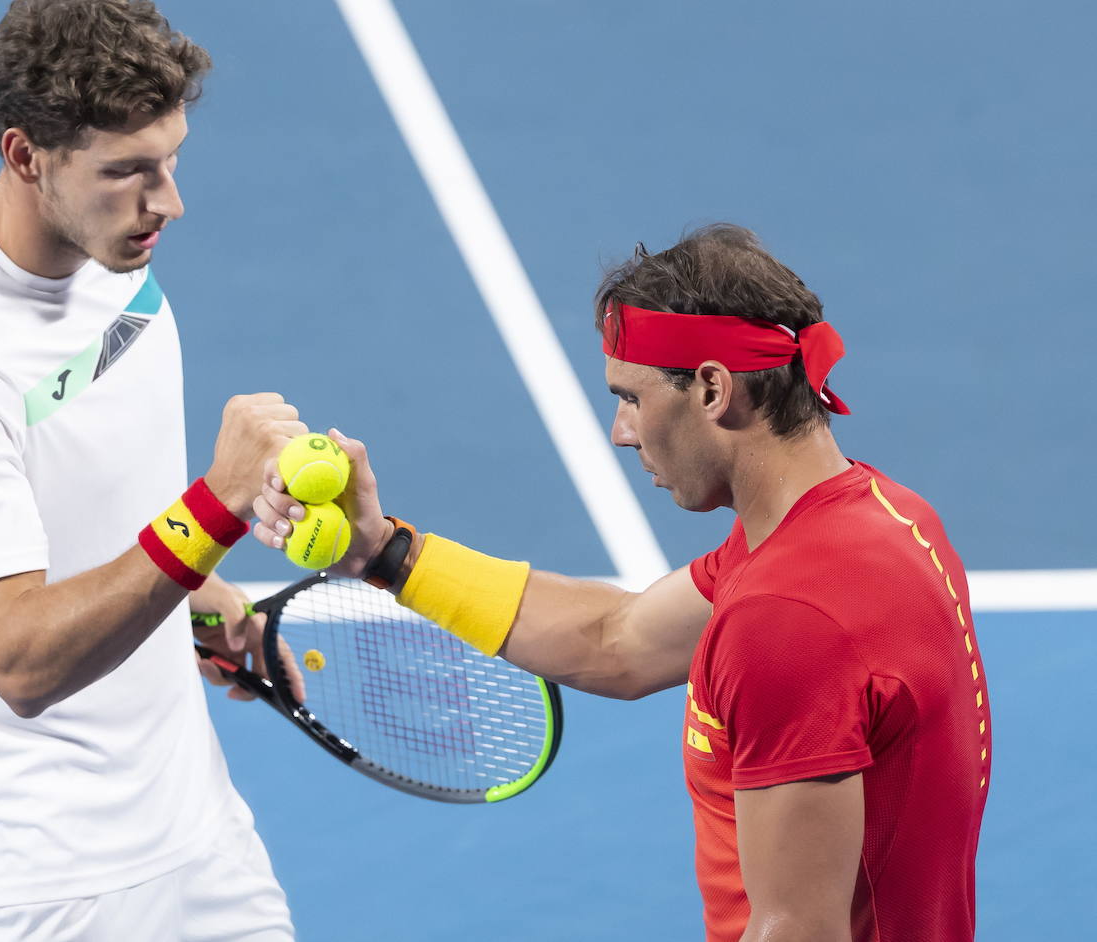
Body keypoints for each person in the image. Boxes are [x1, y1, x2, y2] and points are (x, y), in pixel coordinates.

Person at [255, 224, 991, 941]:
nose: (621, 431)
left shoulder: (787, 620)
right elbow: (621, 640)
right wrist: (384, 554)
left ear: (710, 389)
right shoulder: (880, 518)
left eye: (632, 397)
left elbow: (797, 928)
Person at [0, 0, 300, 941]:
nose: (169, 203)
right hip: (40, 885)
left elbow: (97, 494)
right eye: (128, 171)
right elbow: (18, 661)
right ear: (24, 155)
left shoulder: (117, 257)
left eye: (174, 160)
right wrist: (214, 511)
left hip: (197, 831)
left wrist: (204, 599)